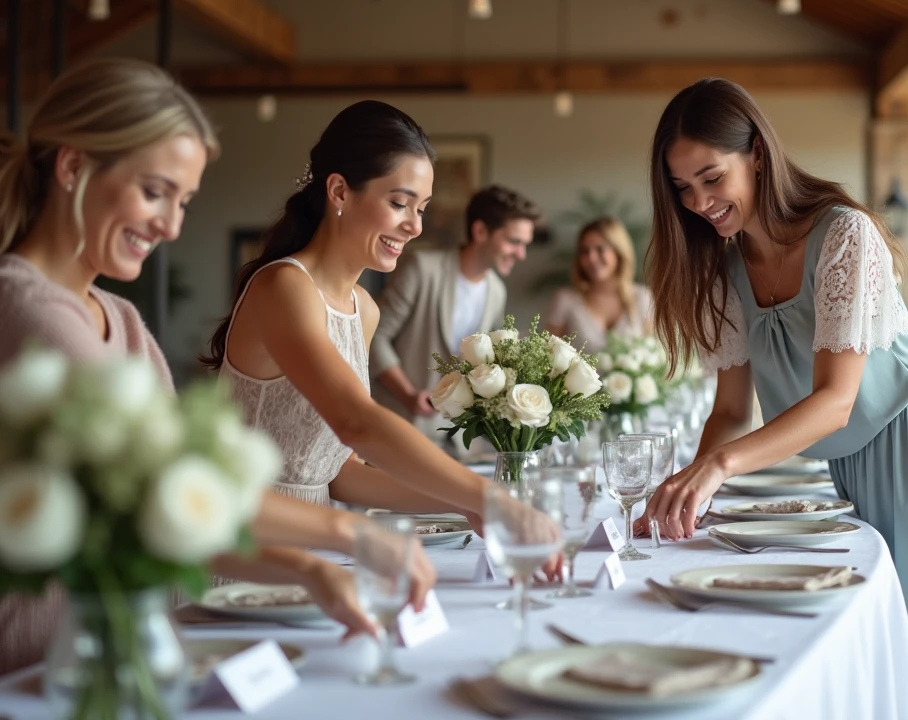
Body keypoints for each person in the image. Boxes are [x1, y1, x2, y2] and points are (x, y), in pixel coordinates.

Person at [0, 60, 432, 675]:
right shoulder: (26, 308)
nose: (171, 225)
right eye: (155, 192)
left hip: (118, 649)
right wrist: (350, 540)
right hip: (38, 666)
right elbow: (159, 487)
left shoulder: (120, 320)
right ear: (72, 167)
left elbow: (182, 507)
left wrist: (308, 568)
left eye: (183, 202)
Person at [641, 78, 908, 658]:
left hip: (906, 442)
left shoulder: (844, 233)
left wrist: (720, 466)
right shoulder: (726, 271)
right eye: (683, 188)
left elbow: (836, 400)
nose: (697, 203)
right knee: (860, 635)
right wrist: (692, 489)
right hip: (842, 460)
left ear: (758, 155)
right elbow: (728, 410)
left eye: (712, 178)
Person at [202, 103, 517, 528]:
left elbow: (341, 475)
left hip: (317, 549)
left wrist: (462, 505)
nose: (415, 226)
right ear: (339, 192)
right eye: (399, 203)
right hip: (246, 548)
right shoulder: (285, 287)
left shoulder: (363, 310)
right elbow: (356, 422)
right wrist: (486, 495)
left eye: (421, 208)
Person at [369, 184, 540, 446]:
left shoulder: (497, 291)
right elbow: (374, 336)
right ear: (480, 231)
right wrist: (407, 394)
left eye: (524, 244)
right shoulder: (422, 269)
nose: (521, 254)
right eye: (513, 241)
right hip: (402, 428)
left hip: (461, 441)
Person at [545, 216, 653, 354]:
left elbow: (655, 354)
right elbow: (547, 356)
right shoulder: (565, 299)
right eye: (584, 251)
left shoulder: (642, 297)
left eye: (600, 249)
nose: (591, 258)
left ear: (619, 252)